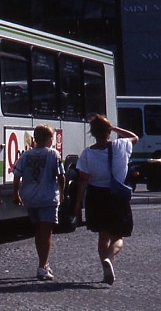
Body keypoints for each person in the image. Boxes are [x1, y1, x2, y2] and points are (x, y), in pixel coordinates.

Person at [75, 114, 138, 285]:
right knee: (118, 237)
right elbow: (134, 137)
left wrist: (77, 203)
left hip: (96, 195)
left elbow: (83, 179)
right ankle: (109, 258)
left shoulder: (87, 153)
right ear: (108, 132)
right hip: (116, 196)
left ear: (92, 133)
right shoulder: (121, 146)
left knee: (102, 235)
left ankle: (105, 271)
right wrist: (114, 128)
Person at [11, 125, 66, 281]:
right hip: (48, 197)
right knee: (46, 232)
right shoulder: (53, 154)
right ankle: (42, 266)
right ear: (48, 139)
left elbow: (17, 175)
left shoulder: (26, 155)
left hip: (30, 197)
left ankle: (43, 263)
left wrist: (16, 194)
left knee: (38, 230)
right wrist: (62, 193)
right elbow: (61, 176)